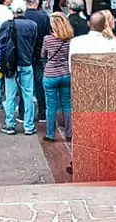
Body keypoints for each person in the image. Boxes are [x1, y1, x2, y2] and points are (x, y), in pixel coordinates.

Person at [0, 0, 38, 135]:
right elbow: (34, 43)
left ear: (12, 11)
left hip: (10, 65)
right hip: (26, 62)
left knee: (10, 95)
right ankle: (28, 125)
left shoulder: (7, 25)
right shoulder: (32, 25)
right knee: (28, 95)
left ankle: (10, 124)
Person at [41, 12, 73, 142]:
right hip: (66, 73)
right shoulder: (70, 39)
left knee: (51, 106)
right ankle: (69, 133)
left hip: (50, 74)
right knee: (67, 105)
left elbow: (43, 54)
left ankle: (50, 134)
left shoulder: (48, 39)